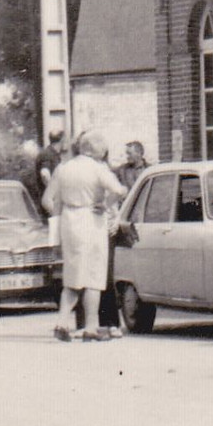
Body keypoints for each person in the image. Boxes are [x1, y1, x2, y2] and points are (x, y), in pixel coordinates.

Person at [43, 130, 127, 342]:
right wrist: (105, 205)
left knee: (72, 275)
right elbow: (119, 190)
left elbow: (47, 200)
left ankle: (62, 323)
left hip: (69, 221)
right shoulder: (98, 169)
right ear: (97, 150)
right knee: (94, 275)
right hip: (92, 220)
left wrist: (59, 221)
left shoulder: (63, 168)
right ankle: (91, 327)